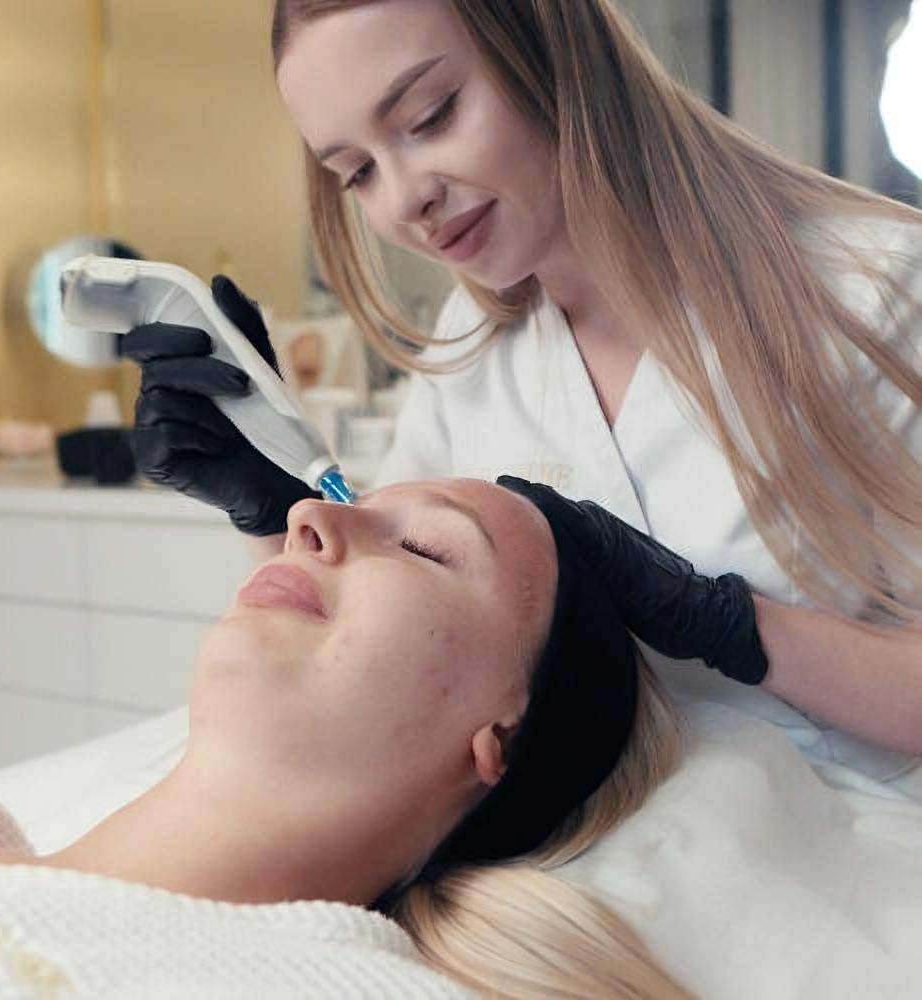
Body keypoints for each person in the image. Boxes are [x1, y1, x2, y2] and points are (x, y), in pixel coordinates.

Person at [122, 0, 921, 786]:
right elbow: (379, 671)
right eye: (357, 171)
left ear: (553, 47)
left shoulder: (878, 293)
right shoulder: (473, 340)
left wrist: (736, 628)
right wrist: (275, 510)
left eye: (431, 115)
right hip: (584, 875)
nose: (403, 201)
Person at [0, 477, 692, 998]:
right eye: (339, 500)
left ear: (500, 739)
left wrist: (759, 638)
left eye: (425, 548)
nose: (303, 520)